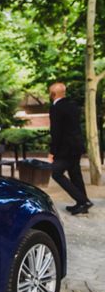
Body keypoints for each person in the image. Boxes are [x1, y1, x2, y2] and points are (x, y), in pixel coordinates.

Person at [48, 82, 92, 215]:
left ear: (53, 94)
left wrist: (52, 152)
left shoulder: (56, 108)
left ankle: (83, 200)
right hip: (76, 146)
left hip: (65, 149)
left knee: (56, 173)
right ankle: (82, 204)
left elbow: (56, 131)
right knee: (75, 174)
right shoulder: (73, 106)